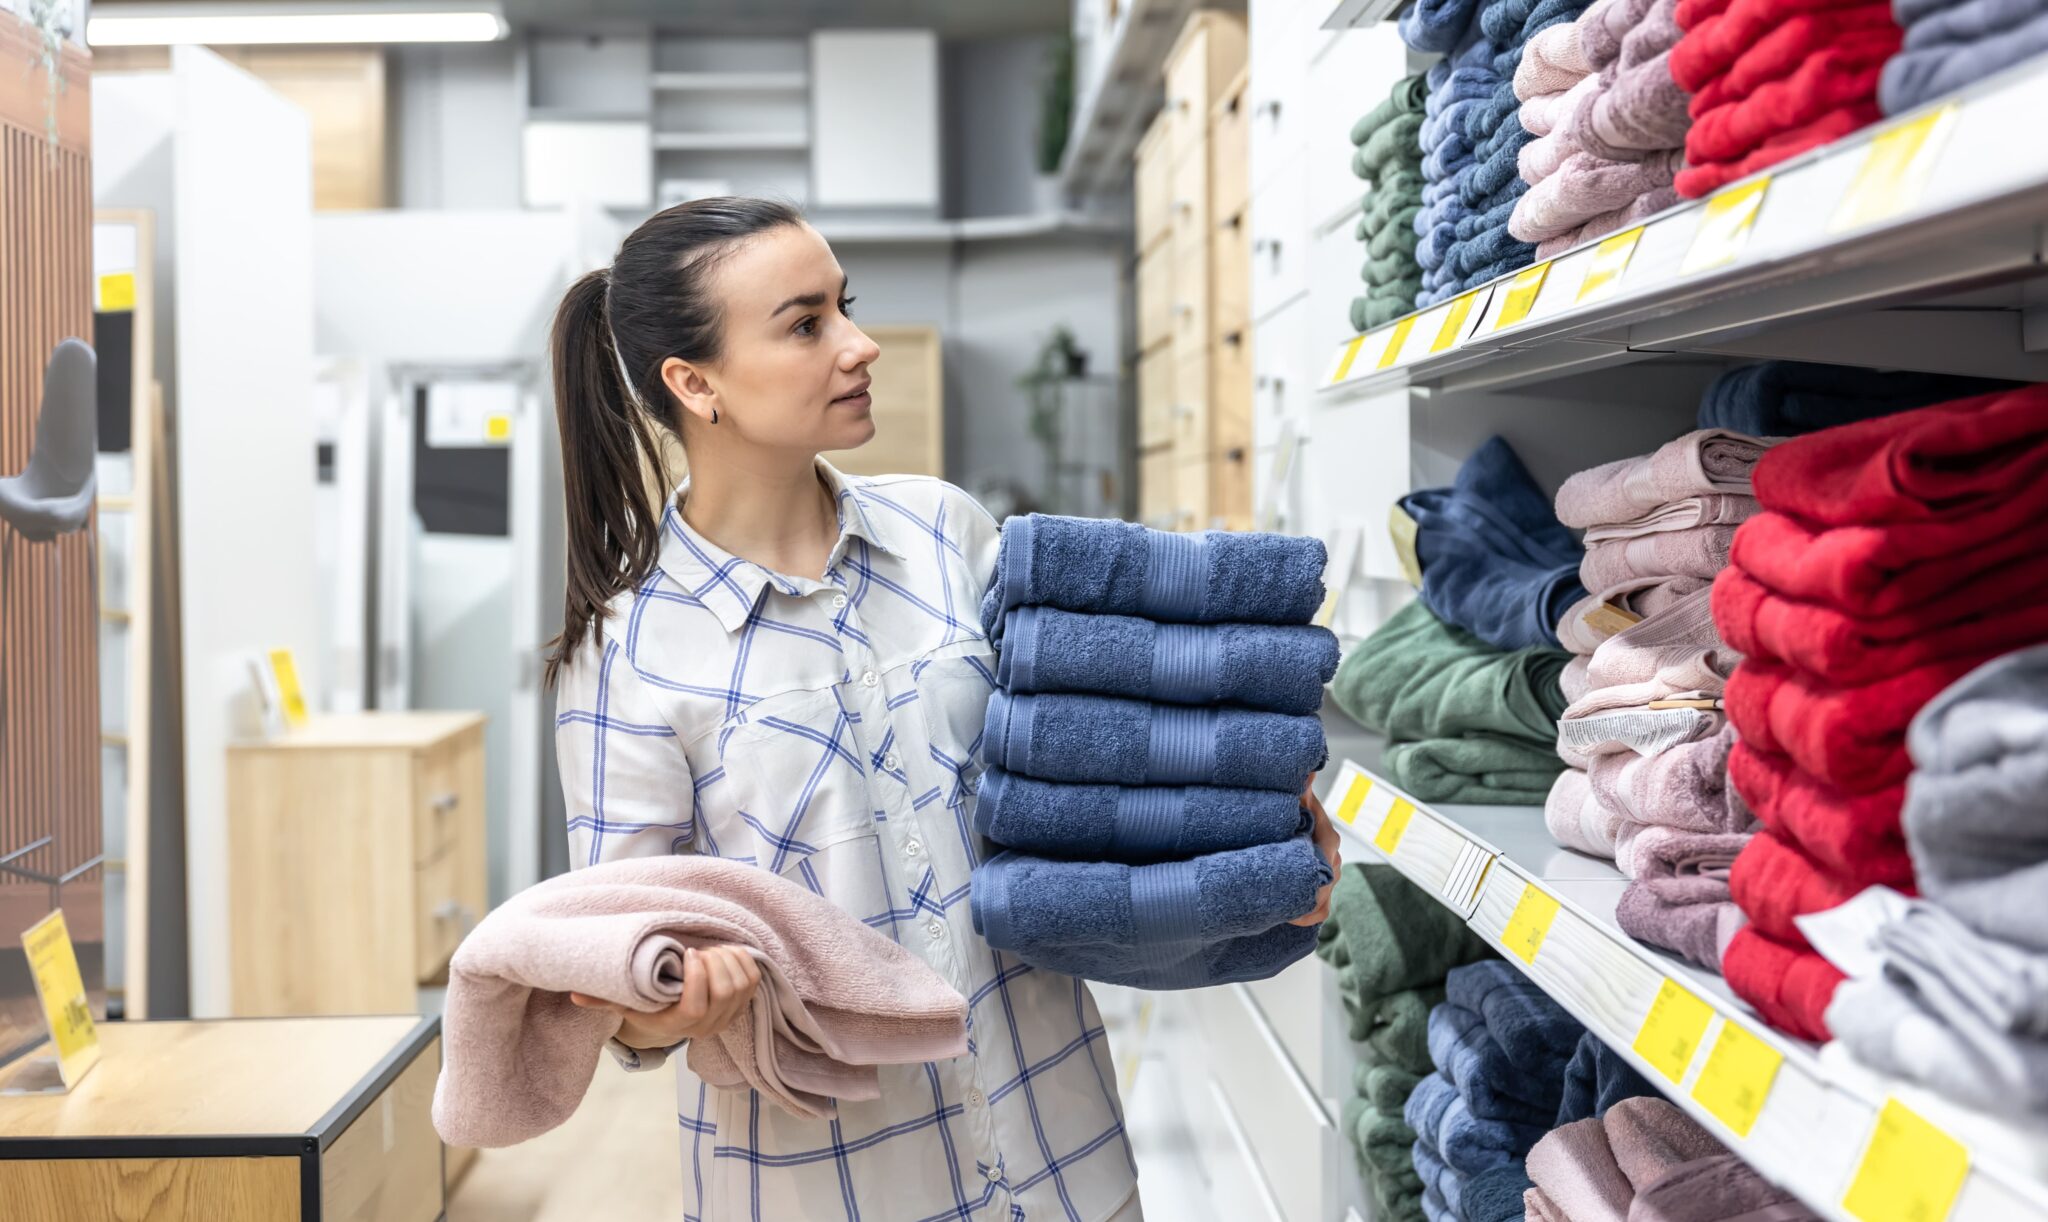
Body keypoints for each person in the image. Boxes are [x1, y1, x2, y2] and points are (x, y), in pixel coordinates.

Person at [545, 196, 1340, 1221]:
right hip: (828, 1189)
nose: (858, 344)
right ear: (695, 384)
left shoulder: (943, 533)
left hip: (1067, 1163)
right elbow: (627, 990)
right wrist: (673, 1002)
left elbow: (1081, 807)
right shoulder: (627, 652)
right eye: (805, 324)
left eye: (845, 307)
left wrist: (1247, 852)